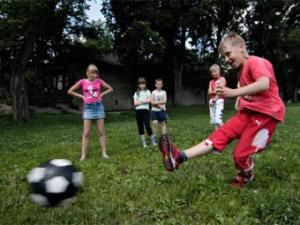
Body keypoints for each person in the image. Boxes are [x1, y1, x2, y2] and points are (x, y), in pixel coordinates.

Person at [158, 32, 285, 188]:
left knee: (239, 154)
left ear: (242, 47)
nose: (226, 59)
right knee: (220, 134)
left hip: (266, 115)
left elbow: (264, 83)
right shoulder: (241, 71)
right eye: (224, 57)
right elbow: (245, 88)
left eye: (228, 54)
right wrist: (239, 99)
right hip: (248, 113)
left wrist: (233, 93)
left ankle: (246, 174)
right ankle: (179, 157)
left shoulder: (257, 62)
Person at [68, 64, 113, 160]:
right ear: (87, 73)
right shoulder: (82, 82)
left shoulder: (99, 81)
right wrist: (82, 97)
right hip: (88, 108)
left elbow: (110, 88)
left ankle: (104, 153)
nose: (95, 75)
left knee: (101, 132)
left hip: (98, 107)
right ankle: (83, 155)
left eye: (96, 72)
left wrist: (102, 94)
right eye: (93, 72)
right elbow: (70, 91)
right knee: (86, 133)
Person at [133, 77, 157, 148]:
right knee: (140, 127)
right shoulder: (136, 93)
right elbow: (134, 103)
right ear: (138, 85)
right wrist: (144, 101)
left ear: (145, 84)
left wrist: (140, 101)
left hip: (145, 111)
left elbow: (149, 100)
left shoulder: (148, 91)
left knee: (147, 126)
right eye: (140, 84)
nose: (142, 85)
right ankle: (144, 142)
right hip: (138, 112)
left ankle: (153, 141)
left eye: (143, 83)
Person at [208, 64, 227, 130]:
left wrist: (214, 100)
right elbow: (209, 92)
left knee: (218, 119)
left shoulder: (222, 79)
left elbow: (220, 92)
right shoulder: (211, 82)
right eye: (212, 72)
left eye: (215, 71)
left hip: (219, 101)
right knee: (214, 121)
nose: (213, 73)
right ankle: (217, 135)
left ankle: (227, 133)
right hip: (211, 101)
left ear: (219, 71)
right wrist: (214, 91)